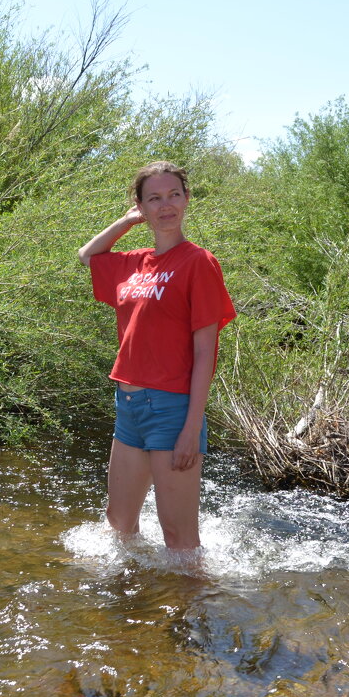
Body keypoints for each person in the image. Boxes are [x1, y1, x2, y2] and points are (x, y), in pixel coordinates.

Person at [77, 161, 235, 550]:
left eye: (174, 195)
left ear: (186, 199)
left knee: (179, 539)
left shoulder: (199, 262)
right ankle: (128, 605)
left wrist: (190, 430)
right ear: (141, 206)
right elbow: (86, 255)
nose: (166, 206)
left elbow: (205, 352)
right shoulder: (133, 261)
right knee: (118, 527)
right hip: (129, 404)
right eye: (155, 198)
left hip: (172, 408)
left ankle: (192, 608)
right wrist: (126, 222)